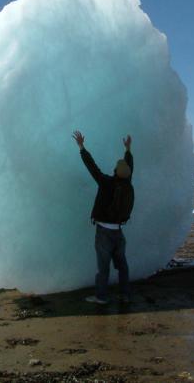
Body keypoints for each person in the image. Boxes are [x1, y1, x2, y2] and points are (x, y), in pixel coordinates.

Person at [72, 130, 134, 304]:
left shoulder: (106, 182)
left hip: (104, 233)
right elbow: (129, 166)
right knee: (122, 266)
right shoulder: (128, 185)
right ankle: (125, 294)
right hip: (119, 232)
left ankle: (101, 296)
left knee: (103, 267)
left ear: (115, 171)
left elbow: (92, 167)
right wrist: (128, 150)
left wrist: (81, 146)